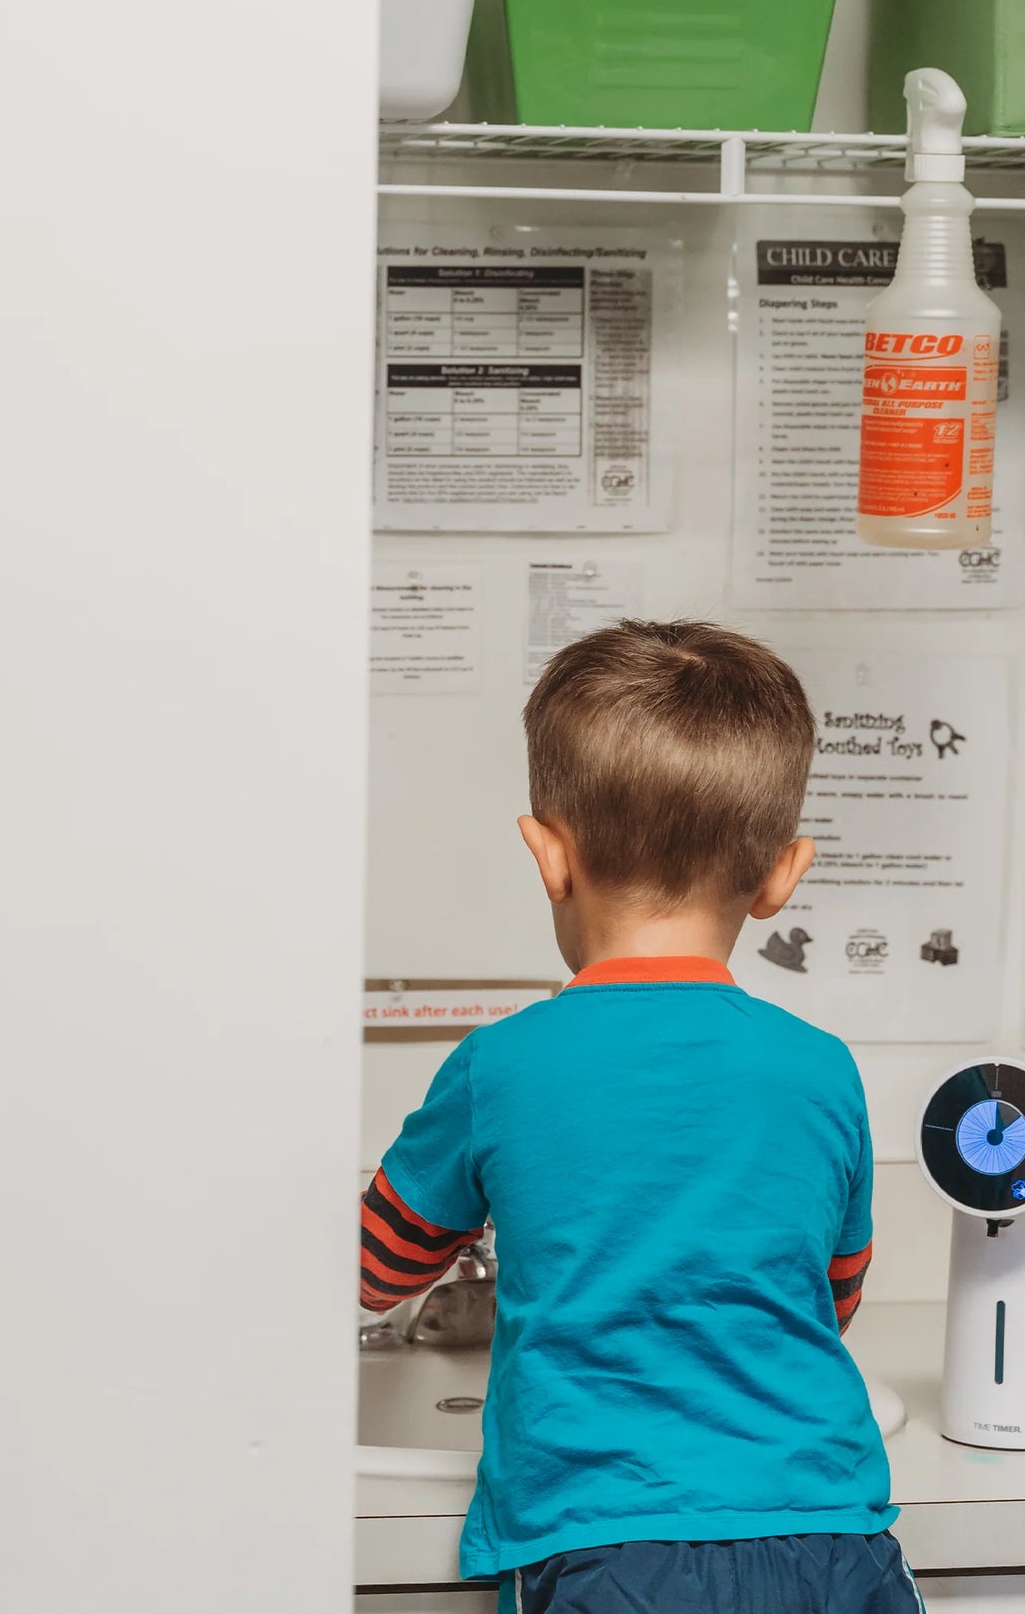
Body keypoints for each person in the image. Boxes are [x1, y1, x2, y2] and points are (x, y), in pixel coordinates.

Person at [359, 621, 917, 1614]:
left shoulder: (501, 1064)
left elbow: (374, 1267)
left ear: (547, 854)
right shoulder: (820, 1068)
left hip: (612, 1549)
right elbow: (826, 1297)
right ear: (782, 874)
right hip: (831, 1537)